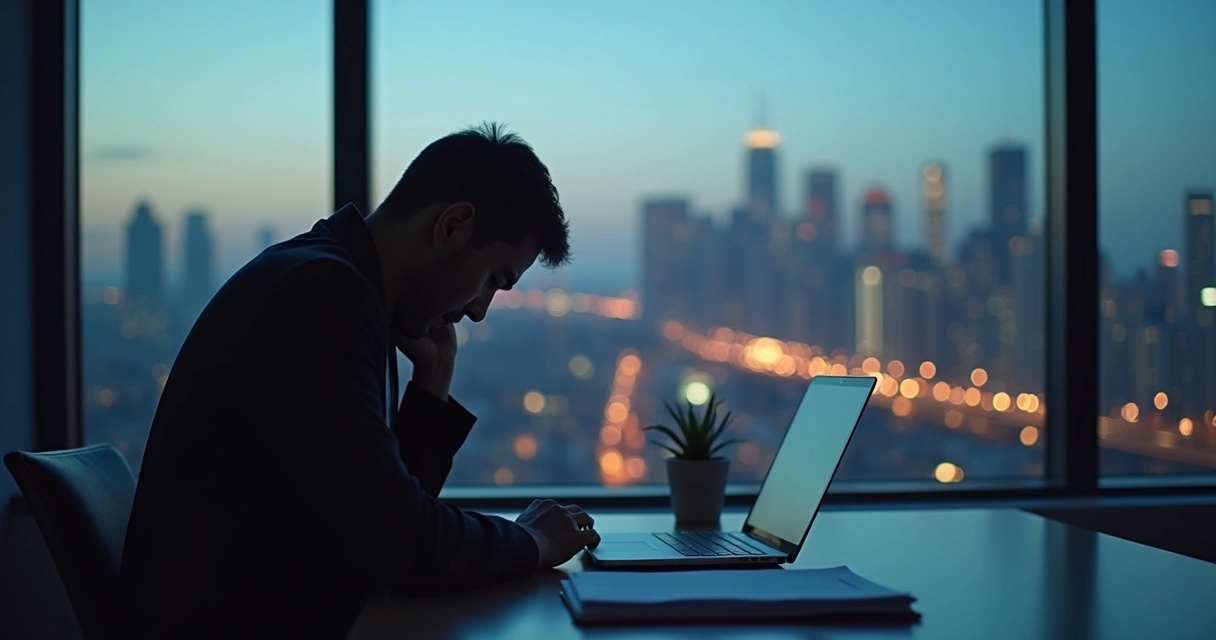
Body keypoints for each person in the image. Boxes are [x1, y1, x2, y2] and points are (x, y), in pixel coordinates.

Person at [121, 123, 601, 639]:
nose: (482, 310)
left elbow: (383, 517)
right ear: (452, 225)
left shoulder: (332, 278)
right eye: (493, 279)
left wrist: (434, 378)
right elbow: (401, 545)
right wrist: (531, 542)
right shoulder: (323, 295)